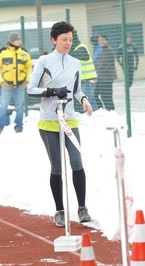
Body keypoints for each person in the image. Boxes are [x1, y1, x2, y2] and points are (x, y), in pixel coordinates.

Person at [27, 21, 93, 227]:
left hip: (69, 119)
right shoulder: (44, 61)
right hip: (49, 121)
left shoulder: (75, 63)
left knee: (77, 161)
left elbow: (77, 90)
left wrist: (84, 99)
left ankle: (82, 208)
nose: (68, 43)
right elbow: (31, 89)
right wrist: (52, 91)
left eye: (71, 39)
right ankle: (59, 210)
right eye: (64, 39)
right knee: (56, 166)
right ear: (53, 40)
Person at [0, 32, 32, 135]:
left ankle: (19, 127)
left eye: (20, 39)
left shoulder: (25, 53)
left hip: (20, 85)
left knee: (20, 107)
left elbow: (29, 68)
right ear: (12, 41)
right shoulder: (2, 53)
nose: (20, 41)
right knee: (3, 106)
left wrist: (27, 80)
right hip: (7, 85)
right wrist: (2, 82)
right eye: (17, 39)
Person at [69, 30, 98, 112]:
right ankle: (93, 114)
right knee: (85, 99)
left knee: (88, 99)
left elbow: (82, 56)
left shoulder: (81, 47)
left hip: (89, 79)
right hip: (82, 80)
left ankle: (94, 114)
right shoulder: (73, 49)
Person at [93, 34, 117, 111]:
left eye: (102, 40)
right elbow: (96, 62)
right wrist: (96, 64)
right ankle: (103, 110)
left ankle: (111, 111)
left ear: (106, 40)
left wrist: (96, 64)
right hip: (101, 77)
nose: (101, 42)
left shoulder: (109, 50)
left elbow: (101, 64)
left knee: (107, 97)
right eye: (99, 40)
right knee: (101, 95)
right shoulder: (102, 50)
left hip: (107, 78)